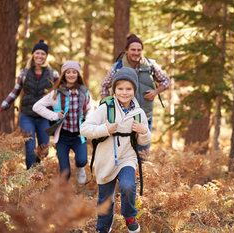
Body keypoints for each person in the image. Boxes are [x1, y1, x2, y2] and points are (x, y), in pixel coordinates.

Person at [80, 67, 151, 233]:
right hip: (106, 159)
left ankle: (129, 216)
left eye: (128, 89)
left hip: (127, 157)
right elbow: (85, 128)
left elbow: (144, 140)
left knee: (128, 185)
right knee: (106, 200)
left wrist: (144, 131)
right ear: (114, 90)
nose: (124, 93)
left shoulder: (138, 113)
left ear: (134, 90)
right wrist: (105, 129)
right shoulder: (106, 108)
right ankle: (103, 228)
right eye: (120, 89)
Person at [0, 40, 59, 169]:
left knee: (44, 149)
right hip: (27, 116)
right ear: (33, 55)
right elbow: (14, 92)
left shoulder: (53, 74)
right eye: (37, 53)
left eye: (43, 54)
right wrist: (2, 107)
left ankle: (38, 176)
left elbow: (61, 94)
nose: (40, 56)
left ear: (46, 56)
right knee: (30, 146)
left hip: (45, 116)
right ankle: (30, 177)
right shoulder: (24, 73)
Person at [100, 33, 170, 154]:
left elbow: (166, 80)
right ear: (126, 50)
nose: (136, 52)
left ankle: (142, 172)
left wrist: (156, 91)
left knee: (143, 152)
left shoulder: (150, 65)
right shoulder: (117, 67)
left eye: (139, 50)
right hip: (121, 117)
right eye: (133, 49)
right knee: (123, 152)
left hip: (144, 116)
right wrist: (107, 105)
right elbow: (104, 86)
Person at [33, 60, 92, 183]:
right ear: (64, 75)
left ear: (78, 75)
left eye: (74, 72)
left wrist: (88, 119)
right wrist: (54, 115)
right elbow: (37, 107)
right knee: (65, 172)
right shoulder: (57, 93)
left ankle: (80, 168)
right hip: (62, 137)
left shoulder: (84, 92)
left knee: (82, 161)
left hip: (79, 136)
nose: (71, 75)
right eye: (68, 72)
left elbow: (90, 108)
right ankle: (64, 197)